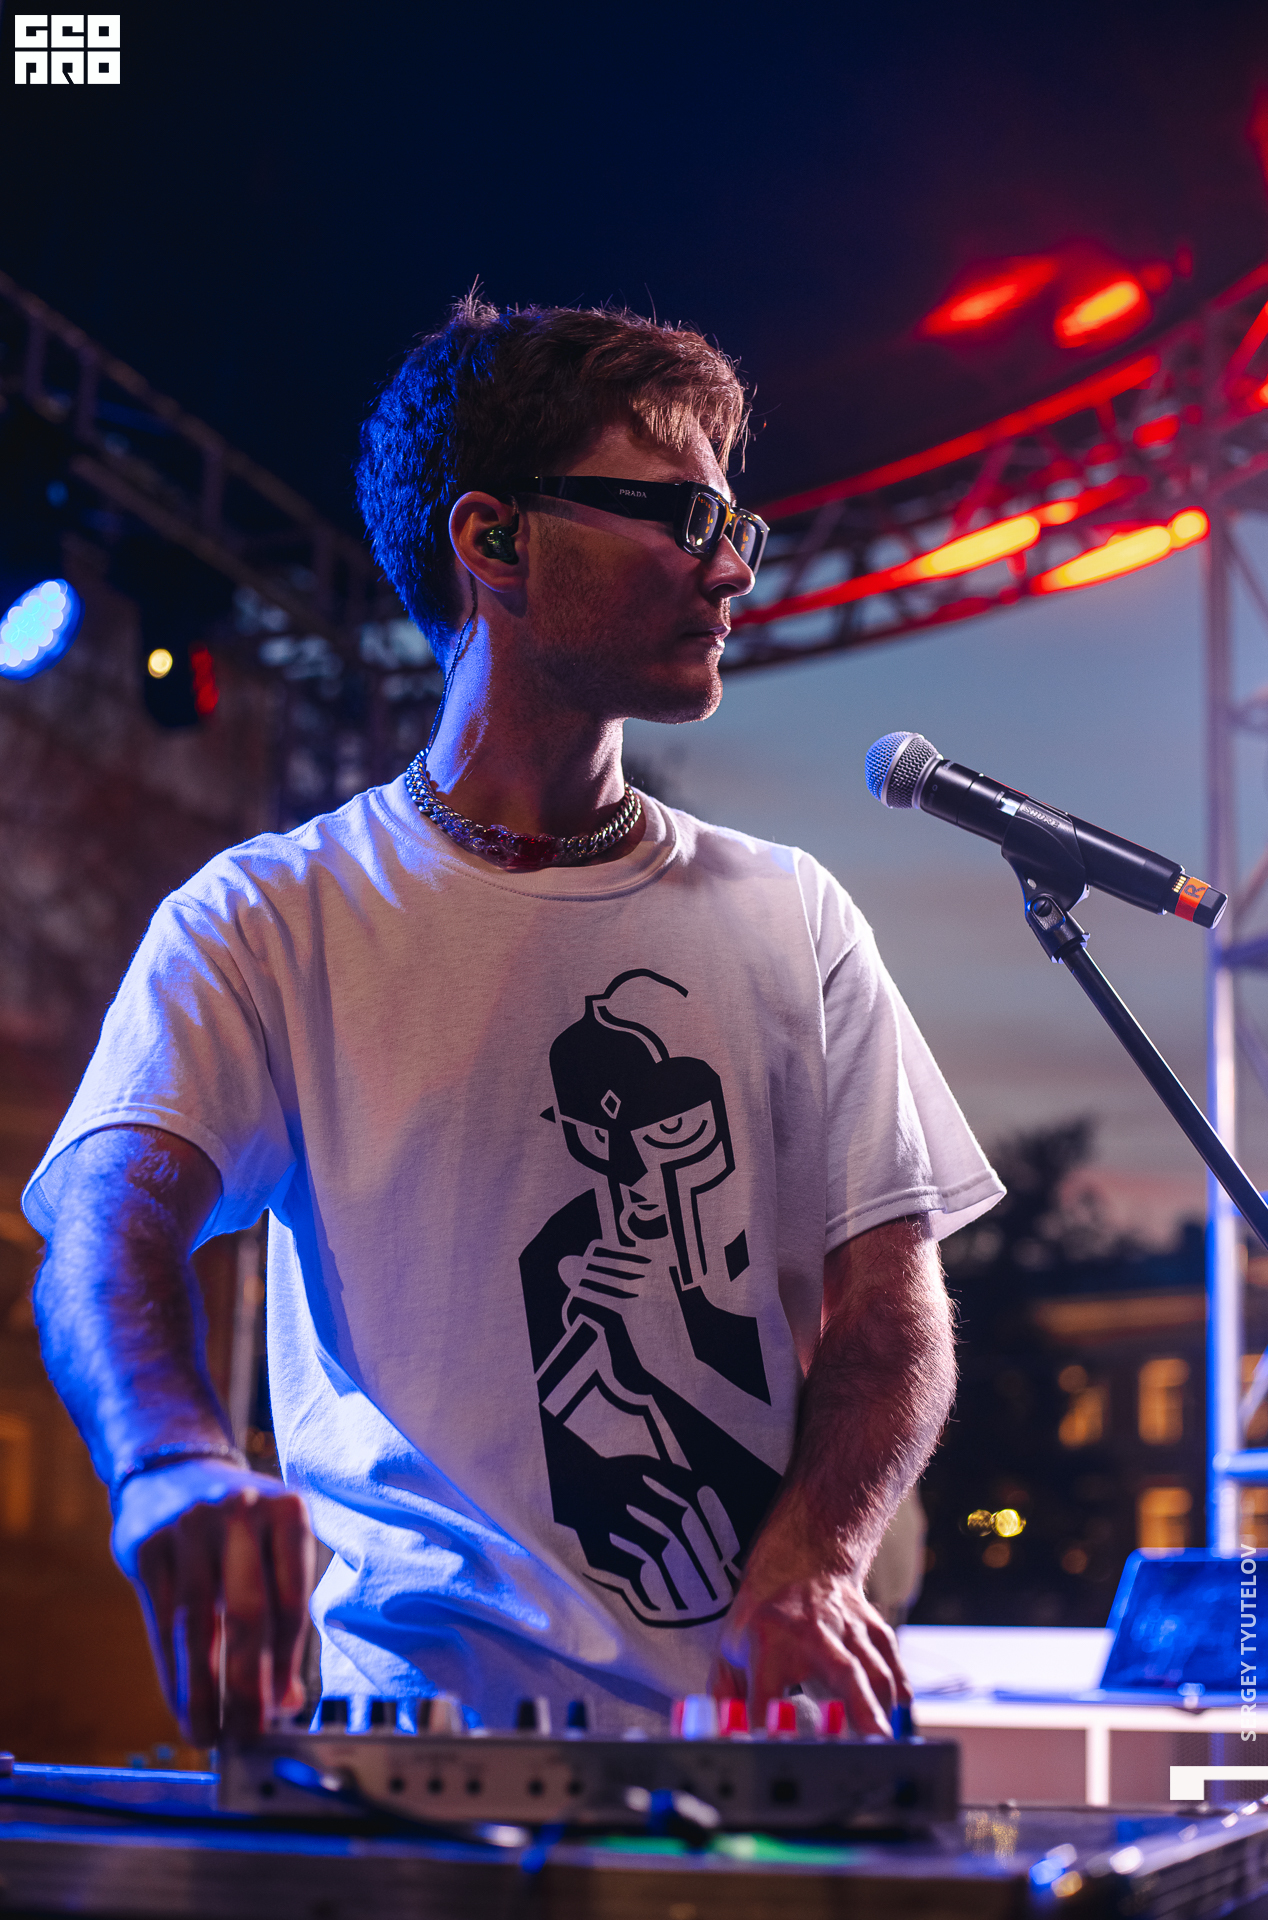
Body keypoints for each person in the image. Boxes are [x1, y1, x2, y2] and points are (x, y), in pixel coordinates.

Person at [24, 296, 1002, 1745]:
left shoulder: (795, 916)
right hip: (405, 1741)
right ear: (493, 541)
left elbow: (893, 1307)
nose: (733, 566)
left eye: (736, 522)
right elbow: (106, 1228)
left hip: (741, 1750)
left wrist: (819, 1555)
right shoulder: (267, 918)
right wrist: (168, 1459)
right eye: (683, 515)